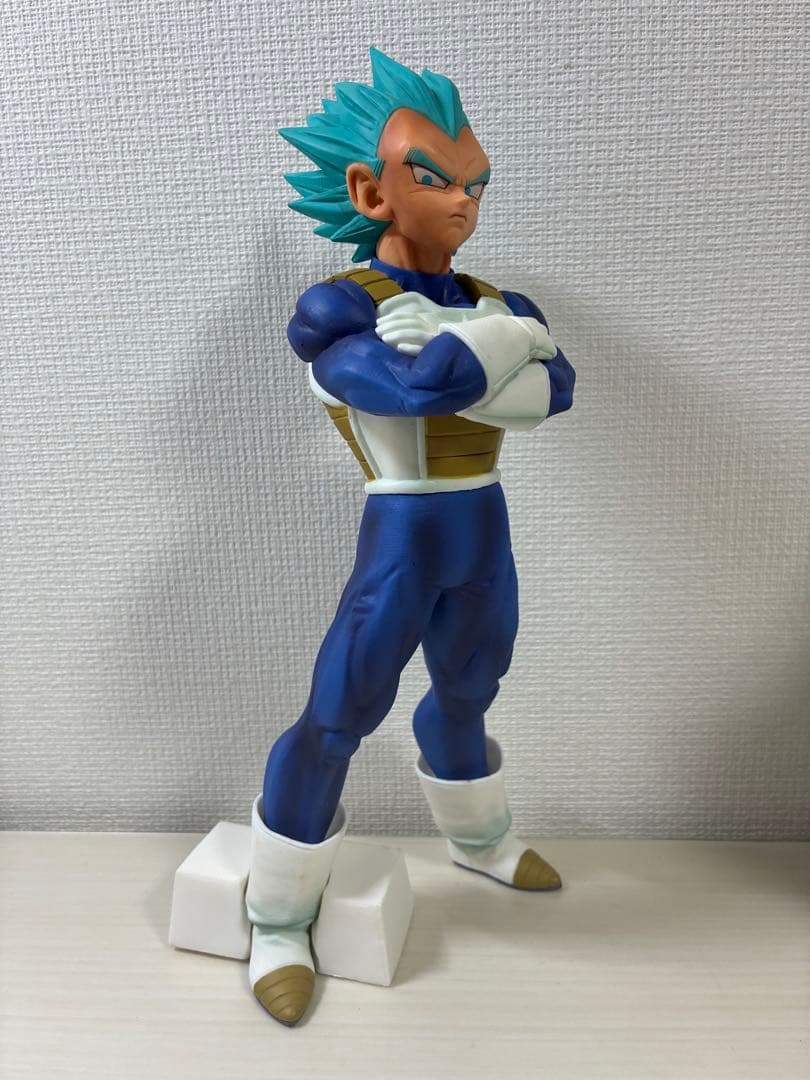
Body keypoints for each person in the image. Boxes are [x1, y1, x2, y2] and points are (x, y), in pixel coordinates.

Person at [245, 47, 576, 1026]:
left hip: (483, 527)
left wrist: (492, 343)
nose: (464, 202)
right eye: (435, 179)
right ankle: (277, 915)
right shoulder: (342, 306)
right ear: (370, 190)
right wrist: (512, 346)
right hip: (401, 528)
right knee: (339, 712)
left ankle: (477, 838)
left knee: (472, 686)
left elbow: (554, 394)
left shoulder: (496, 300)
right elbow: (412, 391)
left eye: (477, 183)